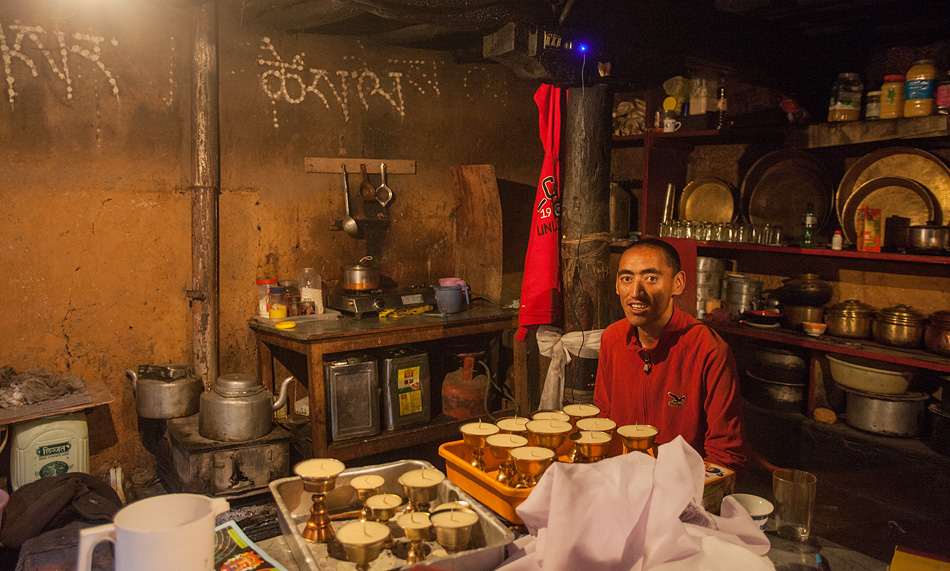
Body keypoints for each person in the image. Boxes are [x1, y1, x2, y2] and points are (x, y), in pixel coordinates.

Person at [593, 238, 747, 473]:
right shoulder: (612, 339)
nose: (636, 292)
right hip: (621, 479)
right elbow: (603, 419)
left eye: (650, 278)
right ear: (616, 285)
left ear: (678, 283)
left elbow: (725, 455)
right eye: (626, 278)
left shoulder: (708, 349)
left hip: (684, 488)